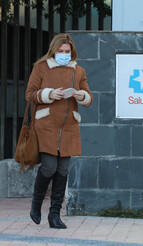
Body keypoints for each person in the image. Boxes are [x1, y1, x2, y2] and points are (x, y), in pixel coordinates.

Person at [25, 33, 93, 229]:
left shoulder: (78, 71)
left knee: (63, 170)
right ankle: (36, 204)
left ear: (71, 52)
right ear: (53, 51)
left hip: (69, 126)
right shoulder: (41, 68)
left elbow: (89, 98)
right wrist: (48, 94)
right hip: (46, 125)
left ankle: (54, 214)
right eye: (60, 51)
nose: (64, 54)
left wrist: (81, 96)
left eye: (67, 51)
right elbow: (29, 94)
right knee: (48, 167)